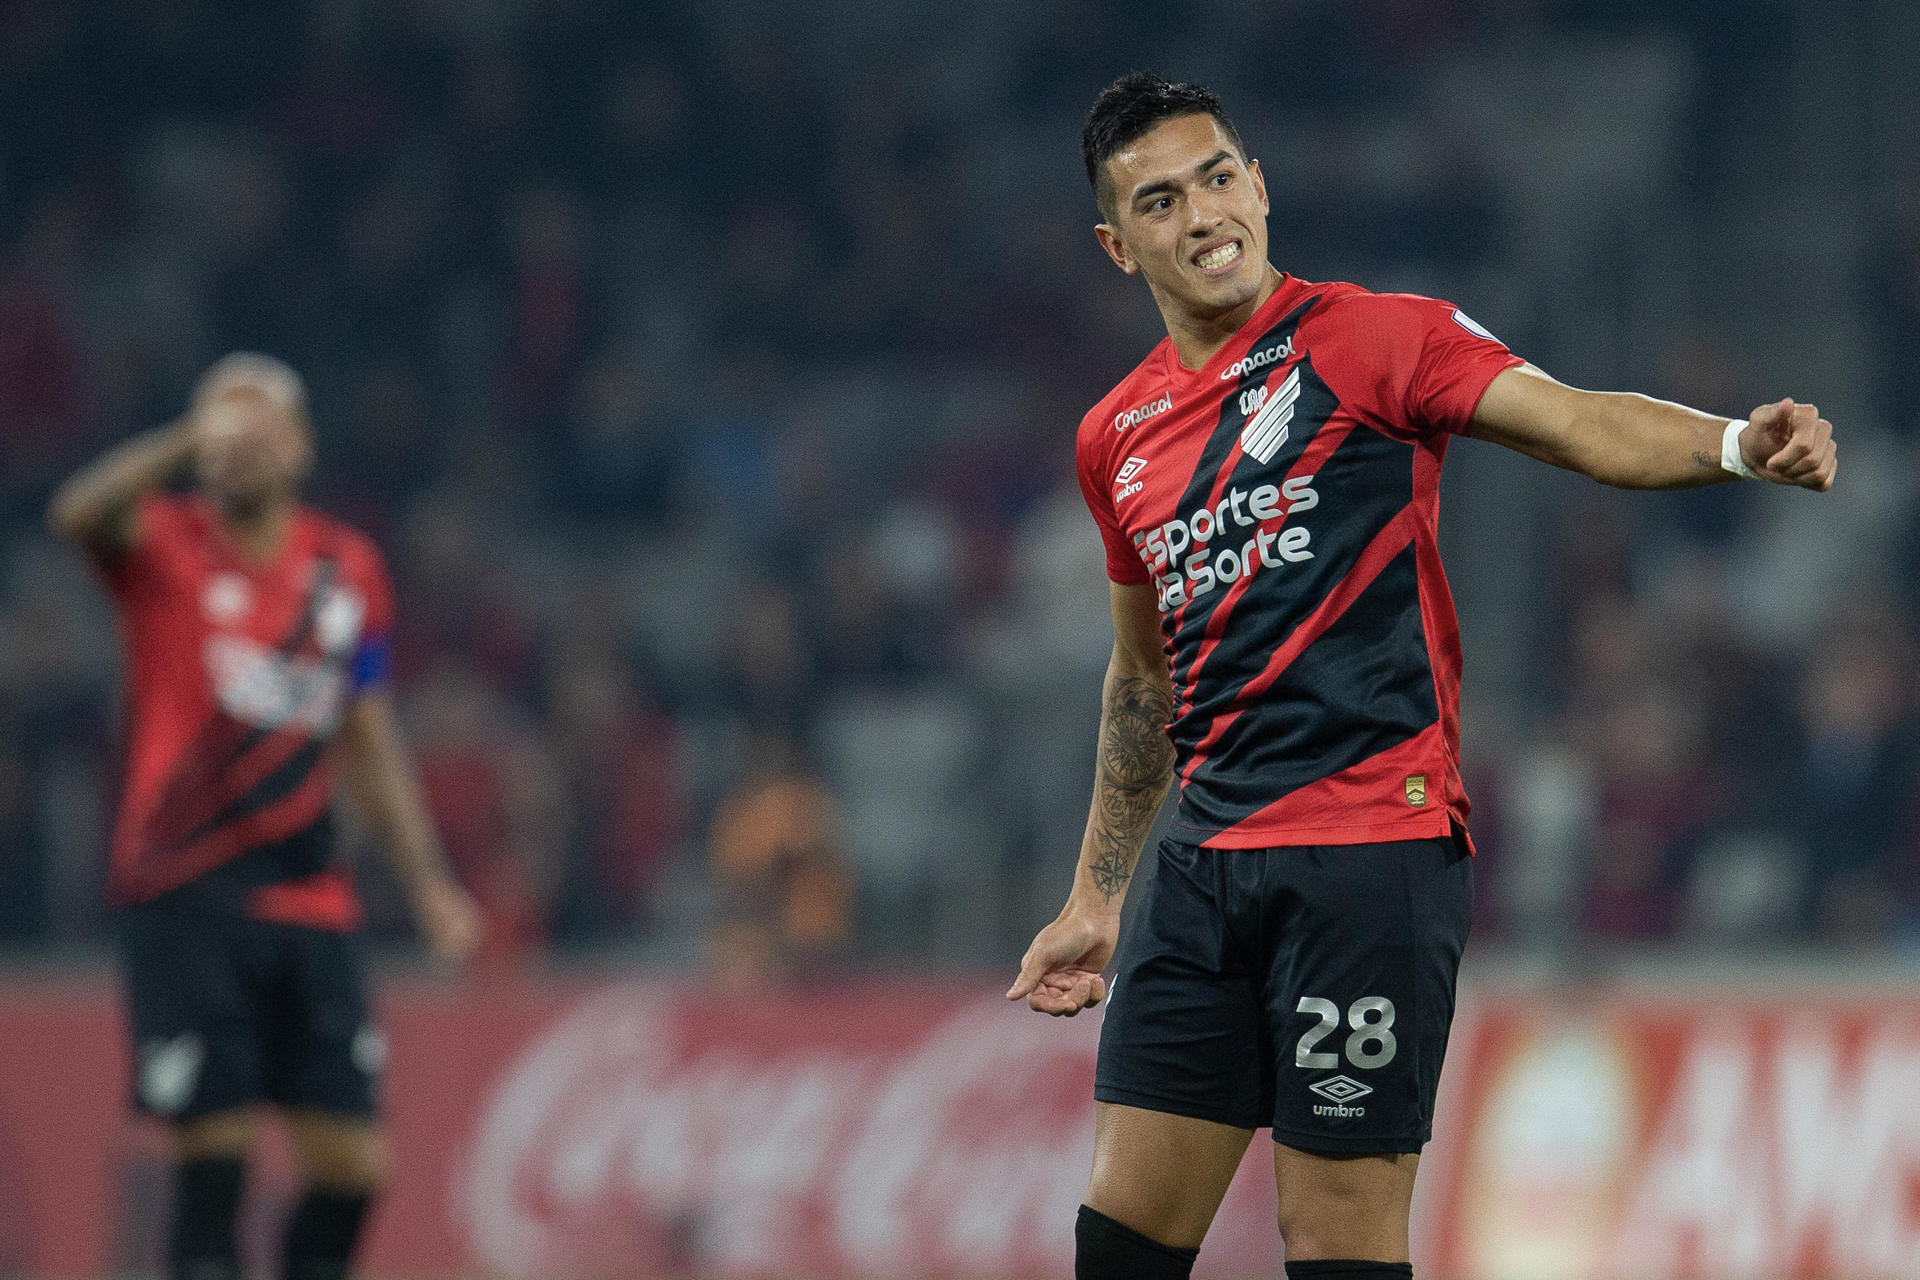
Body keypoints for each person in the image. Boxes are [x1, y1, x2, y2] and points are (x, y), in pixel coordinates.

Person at [1005, 74, 1836, 1280]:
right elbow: (1144, 681)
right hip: (1199, 864)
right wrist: (1096, 895)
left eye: (1220, 176)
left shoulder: (1375, 337)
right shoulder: (1113, 437)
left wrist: (1731, 447)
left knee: (1335, 1245)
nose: (1203, 214)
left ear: (1262, 184)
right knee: (1122, 1237)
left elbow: (1579, 423)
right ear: (1117, 245)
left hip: (1364, 855)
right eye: (1161, 199)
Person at [48, 354, 482, 1280]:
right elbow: (78, 512)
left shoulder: (348, 569)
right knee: (216, 1158)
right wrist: (180, 439)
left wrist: (428, 882)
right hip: (186, 888)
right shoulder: (164, 546)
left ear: (300, 446)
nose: (235, 447)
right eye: (220, 430)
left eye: (255, 428)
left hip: (310, 893)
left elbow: (367, 736)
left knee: (353, 1166)